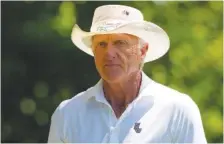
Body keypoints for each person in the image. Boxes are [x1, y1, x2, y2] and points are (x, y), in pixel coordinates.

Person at [48, 4, 207, 143]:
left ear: (143, 51)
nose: (109, 53)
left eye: (120, 42)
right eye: (101, 44)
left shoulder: (177, 109)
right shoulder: (68, 114)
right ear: (93, 51)